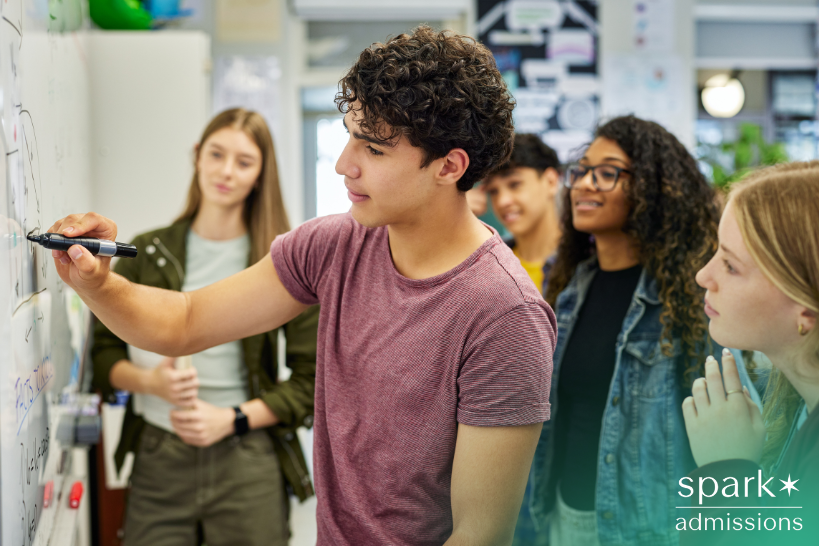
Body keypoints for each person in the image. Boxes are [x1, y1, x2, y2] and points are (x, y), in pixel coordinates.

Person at [53, 26, 556, 546]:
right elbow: (185, 321)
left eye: (374, 149)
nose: (344, 165)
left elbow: (480, 534)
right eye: (349, 136)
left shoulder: (505, 315)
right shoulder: (334, 245)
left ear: (449, 166)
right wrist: (96, 283)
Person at [524, 115, 758, 546]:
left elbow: (738, 432)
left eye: (608, 172)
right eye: (582, 170)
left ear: (653, 188)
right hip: (560, 519)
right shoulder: (568, 289)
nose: (585, 184)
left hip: (650, 530)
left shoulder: (691, 299)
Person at [91, 108, 319, 546]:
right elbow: (103, 355)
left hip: (247, 454)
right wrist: (149, 382)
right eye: (216, 154)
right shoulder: (149, 250)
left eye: (244, 162)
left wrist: (231, 418)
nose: (226, 172)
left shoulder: (284, 262)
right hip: (159, 453)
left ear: (261, 174)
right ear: (197, 156)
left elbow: (313, 381)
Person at [681, 161, 819, 545]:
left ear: (804, 309)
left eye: (730, 265)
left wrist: (725, 471)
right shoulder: (796, 400)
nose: (703, 277)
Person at [483, 133, 561, 296]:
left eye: (515, 184)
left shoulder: (588, 263)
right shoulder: (488, 265)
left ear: (550, 181)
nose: (502, 201)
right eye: (493, 191)